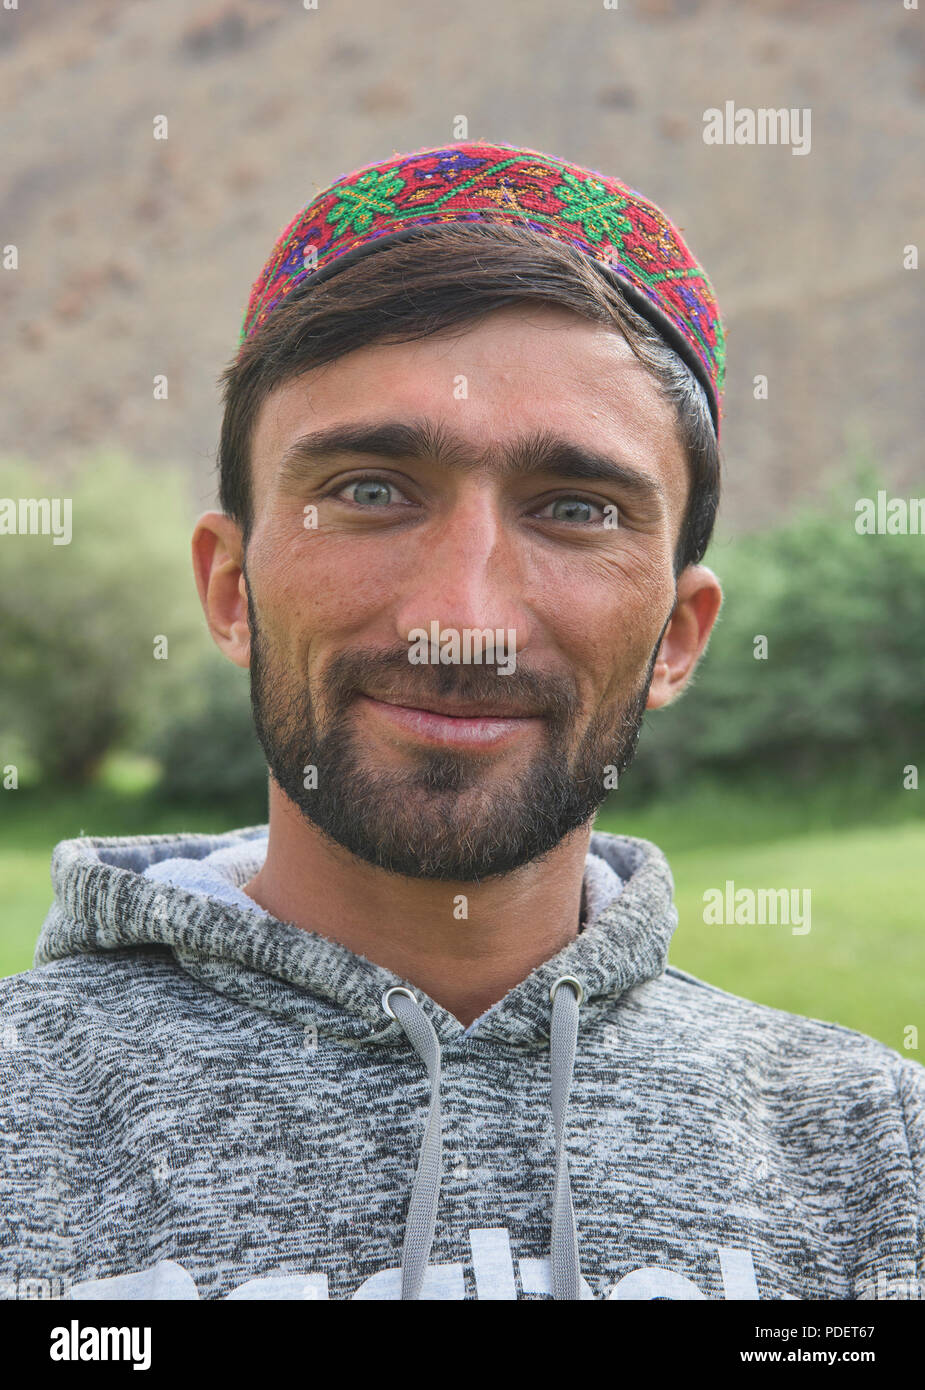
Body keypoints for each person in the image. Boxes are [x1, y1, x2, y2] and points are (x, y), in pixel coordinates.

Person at [1, 141, 921, 1302]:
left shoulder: (874, 1153)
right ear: (231, 588)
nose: (462, 618)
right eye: (370, 491)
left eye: (576, 509)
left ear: (678, 636)